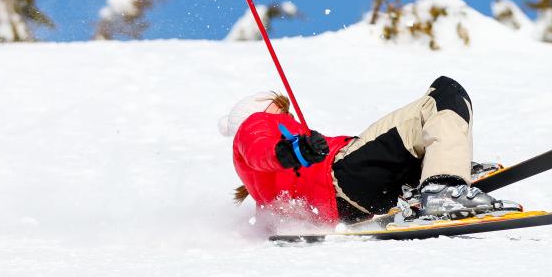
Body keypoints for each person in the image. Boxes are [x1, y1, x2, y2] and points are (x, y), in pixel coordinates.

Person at [220, 76, 520, 227]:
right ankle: (444, 183)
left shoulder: (259, 186)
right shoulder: (258, 124)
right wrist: (292, 151)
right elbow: (261, 146)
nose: (285, 113)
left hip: (352, 207)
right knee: (444, 94)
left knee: (400, 142)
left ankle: (431, 179)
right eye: (278, 106)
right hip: (345, 177)